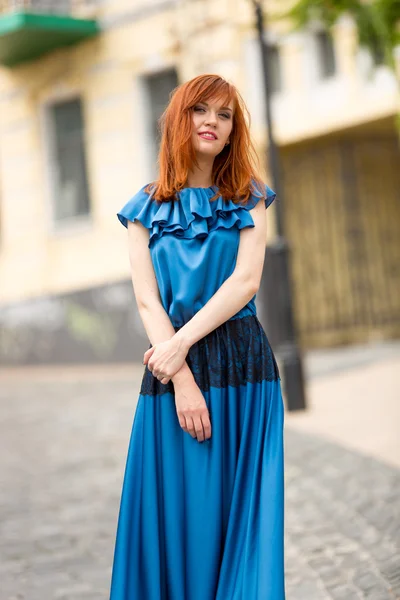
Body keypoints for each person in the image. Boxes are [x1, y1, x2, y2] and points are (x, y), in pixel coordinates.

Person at [109, 73, 285, 599]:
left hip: (243, 369)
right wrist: (181, 376)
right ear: (178, 120)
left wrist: (177, 345)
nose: (212, 121)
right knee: (180, 516)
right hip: (171, 377)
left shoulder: (249, 196)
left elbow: (246, 281)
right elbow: (147, 300)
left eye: (224, 114)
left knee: (242, 518)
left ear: (233, 130)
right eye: (200, 110)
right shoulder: (144, 206)